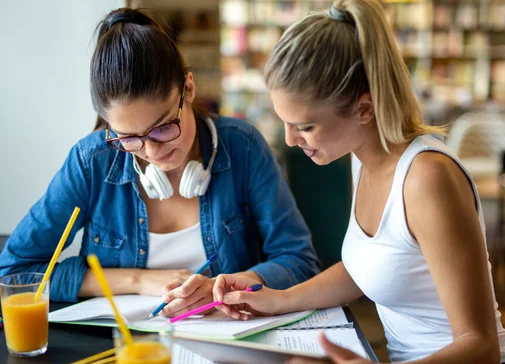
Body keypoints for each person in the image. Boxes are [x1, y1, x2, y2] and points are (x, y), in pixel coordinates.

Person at [212, 1, 505, 364]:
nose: (290, 140)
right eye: (285, 122)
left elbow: (480, 350)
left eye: (306, 126)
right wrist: (276, 300)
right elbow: (370, 266)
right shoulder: (361, 158)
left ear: (364, 108)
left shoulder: (427, 179)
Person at [0, 8, 320, 317]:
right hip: (124, 352)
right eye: (128, 138)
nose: (151, 152)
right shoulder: (91, 161)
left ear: (189, 88)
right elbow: (14, 271)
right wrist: (137, 281)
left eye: (163, 127)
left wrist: (228, 287)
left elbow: (299, 260)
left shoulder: (244, 148)